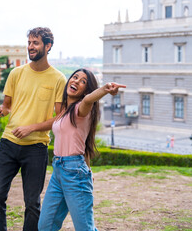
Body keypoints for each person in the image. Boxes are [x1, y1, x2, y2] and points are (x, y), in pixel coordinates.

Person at [0, 27, 67, 231]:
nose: (30, 47)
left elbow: (59, 117)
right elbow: (7, 106)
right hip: (8, 143)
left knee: (32, 203)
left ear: (47, 46)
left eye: (35, 43)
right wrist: (0, 110)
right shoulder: (16, 73)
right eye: (29, 42)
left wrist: (32, 128)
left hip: (36, 147)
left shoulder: (58, 79)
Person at [38, 69, 126, 231]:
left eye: (83, 82)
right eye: (75, 77)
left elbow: (88, 100)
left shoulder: (82, 108)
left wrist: (105, 89)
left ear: (86, 90)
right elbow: (83, 146)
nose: (76, 81)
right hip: (58, 171)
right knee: (45, 226)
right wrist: (89, 169)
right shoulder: (65, 112)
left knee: (85, 228)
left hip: (73, 173)